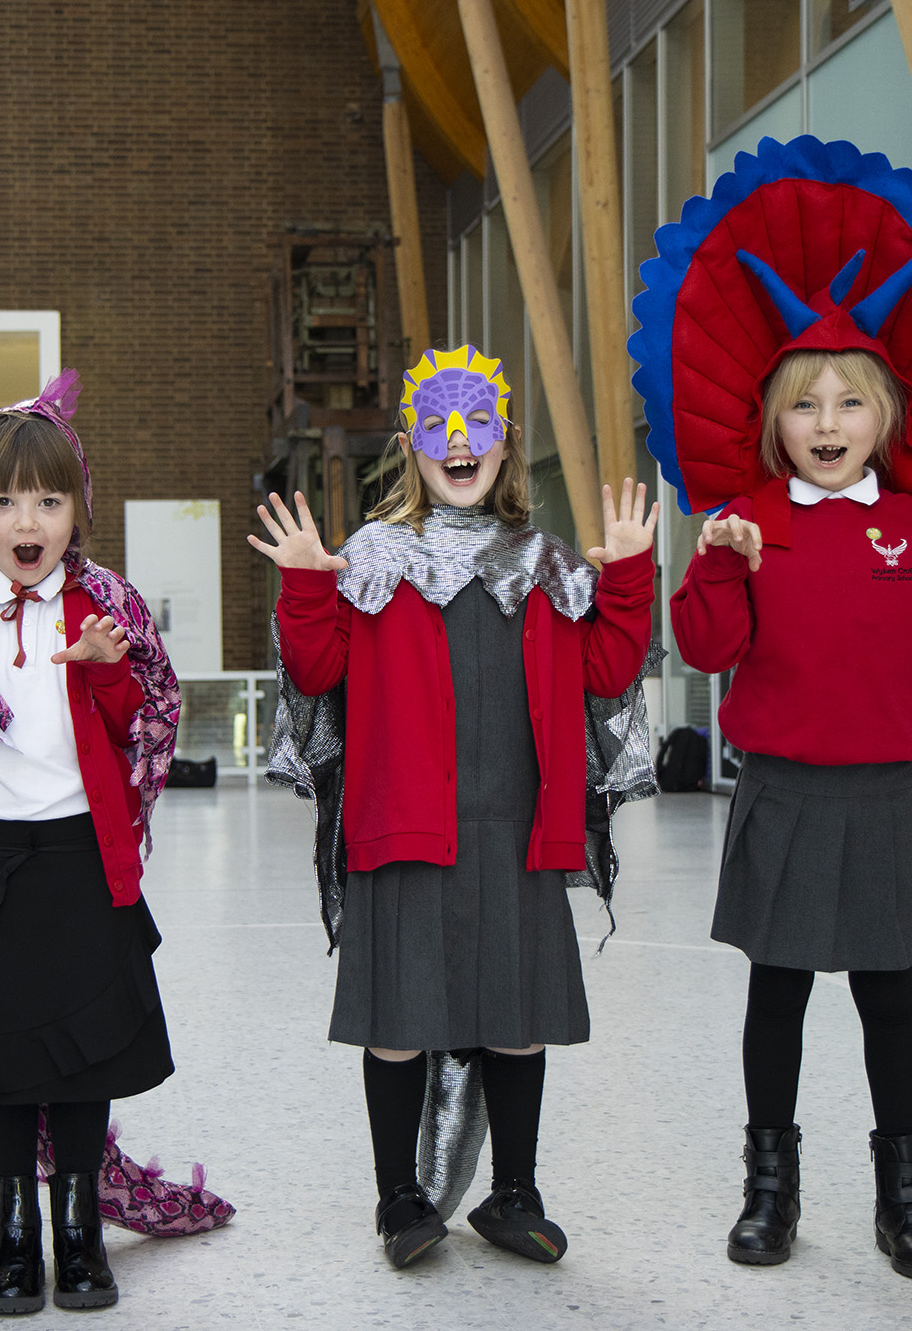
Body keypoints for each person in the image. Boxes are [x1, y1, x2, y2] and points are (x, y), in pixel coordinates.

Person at [636, 135, 912, 1280]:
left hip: (878, 799)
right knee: (775, 999)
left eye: (846, 402)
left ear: (882, 413)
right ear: (772, 417)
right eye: (802, 402)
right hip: (779, 791)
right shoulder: (749, 519)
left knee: (887, 1005)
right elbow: (707, 645)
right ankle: (769, 1188)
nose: (823, 419)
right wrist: (714, 559)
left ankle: (904, 1199)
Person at [254, 345, 658, 1269]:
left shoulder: (549, 563)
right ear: (411, 445)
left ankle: (514, 1190)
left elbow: (606, 670)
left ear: (507, 445)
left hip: (520, 834)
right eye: (440, 424)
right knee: (398, 1024)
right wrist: (311, 584)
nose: (460, 439)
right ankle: (399, 1193)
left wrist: (629, 578)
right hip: (401, 831)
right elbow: (318, 672)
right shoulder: (371, 559)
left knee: (515, 1020)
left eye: (478, 423)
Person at [0, 371, 182, 1315]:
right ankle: (12, 1231)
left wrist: (108, 672)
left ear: (77, 509)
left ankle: (79, 1226)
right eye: (5, 498)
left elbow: (153, 722)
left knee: (86, 1055)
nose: (27, 518)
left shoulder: (110, 604)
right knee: (2, 1059)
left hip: (86, 859)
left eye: (48, 500)